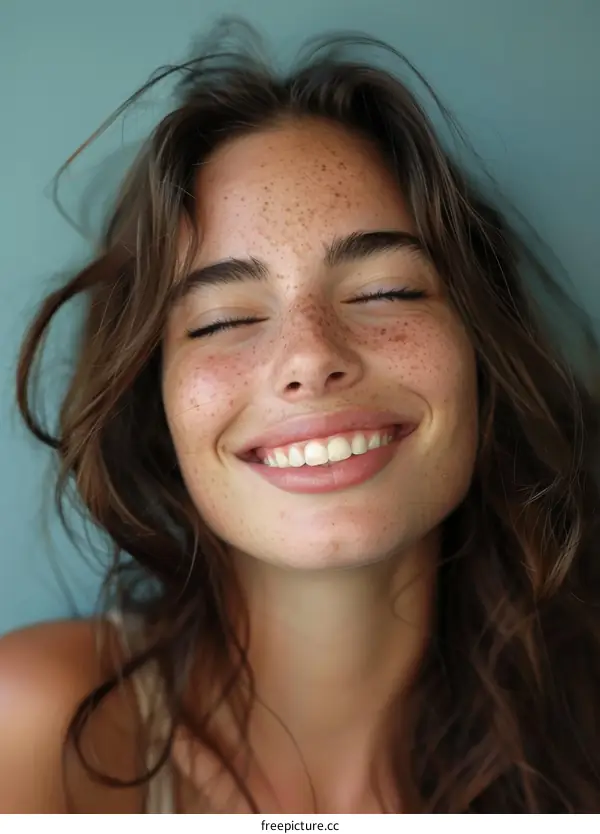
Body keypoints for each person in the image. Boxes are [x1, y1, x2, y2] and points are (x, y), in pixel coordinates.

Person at [1, 19, 600, 814]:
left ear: (483, 353)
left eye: (386, 291)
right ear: (158, 404)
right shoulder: (32, 725)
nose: (310, 356)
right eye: (220, 320)